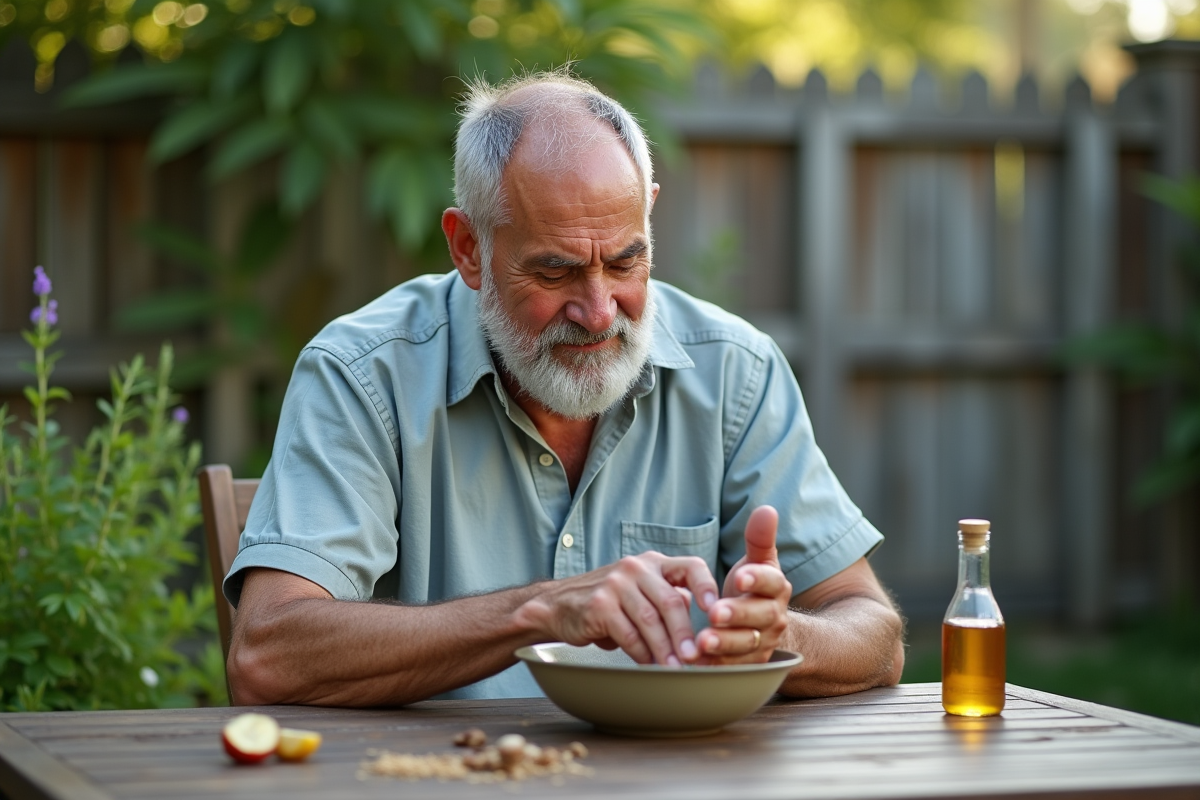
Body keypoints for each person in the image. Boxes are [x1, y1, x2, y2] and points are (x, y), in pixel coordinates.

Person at [224, 72, 904, 707]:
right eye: (555, 273)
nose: (600, 310)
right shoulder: (364, 373)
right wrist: (539, 612)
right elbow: (267, 656)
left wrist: (780, 637)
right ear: (469, 248)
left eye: (626, 259)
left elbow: (875, 637)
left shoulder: (737, 371)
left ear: (649, 216)